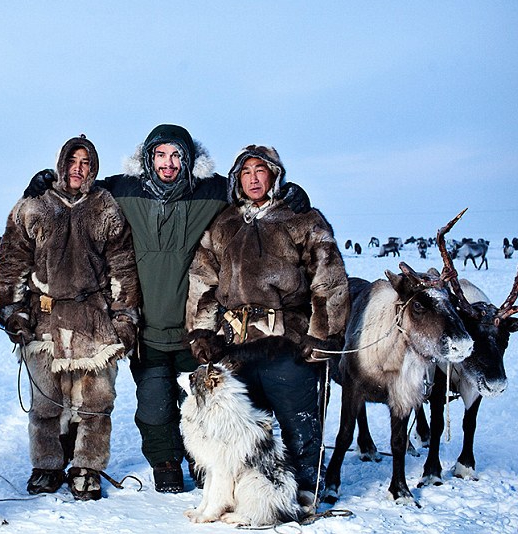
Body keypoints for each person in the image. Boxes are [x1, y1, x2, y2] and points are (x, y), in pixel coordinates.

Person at [26, 124, 310, 493]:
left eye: (177, 156)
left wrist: (290, 194)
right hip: (148, 330)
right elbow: (80, 188)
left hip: (198, 329)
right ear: (148, 158)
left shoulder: (209, 192)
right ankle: (165, 463)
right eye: (161, 155)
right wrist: (44, 184)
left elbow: (251, 189)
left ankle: (205, 464)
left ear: (188, 160)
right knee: (153, 409)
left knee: (204, 404)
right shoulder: (123, 190)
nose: (169, 163)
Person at [185, 144, 349, 510]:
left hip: (287, 342)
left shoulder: (303, 218)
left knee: (297, 424)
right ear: (236, 179)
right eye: (246, 172)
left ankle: (305, 488)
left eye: (261, 170)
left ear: (274, 174)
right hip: (234, 345)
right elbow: (203, 280)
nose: (253, 178)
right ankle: (246, 492)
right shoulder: (224, 223)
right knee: (241, 430)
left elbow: (329, 278)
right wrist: (201, 331)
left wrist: (323, 335)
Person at [0, 135, 141, 501]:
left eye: (86, 163)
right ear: (62, 164)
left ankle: (87, 467)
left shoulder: (106, 207)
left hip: (94, 318)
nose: (79, 169)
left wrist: (124, 317)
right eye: (73, 162)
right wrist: (13, 311)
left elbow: (122, 265)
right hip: (45, 319)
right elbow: (11, 260)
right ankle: (47, 466)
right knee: (46, 402)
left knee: (95, 402)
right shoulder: (34, 205)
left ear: (94, 168)